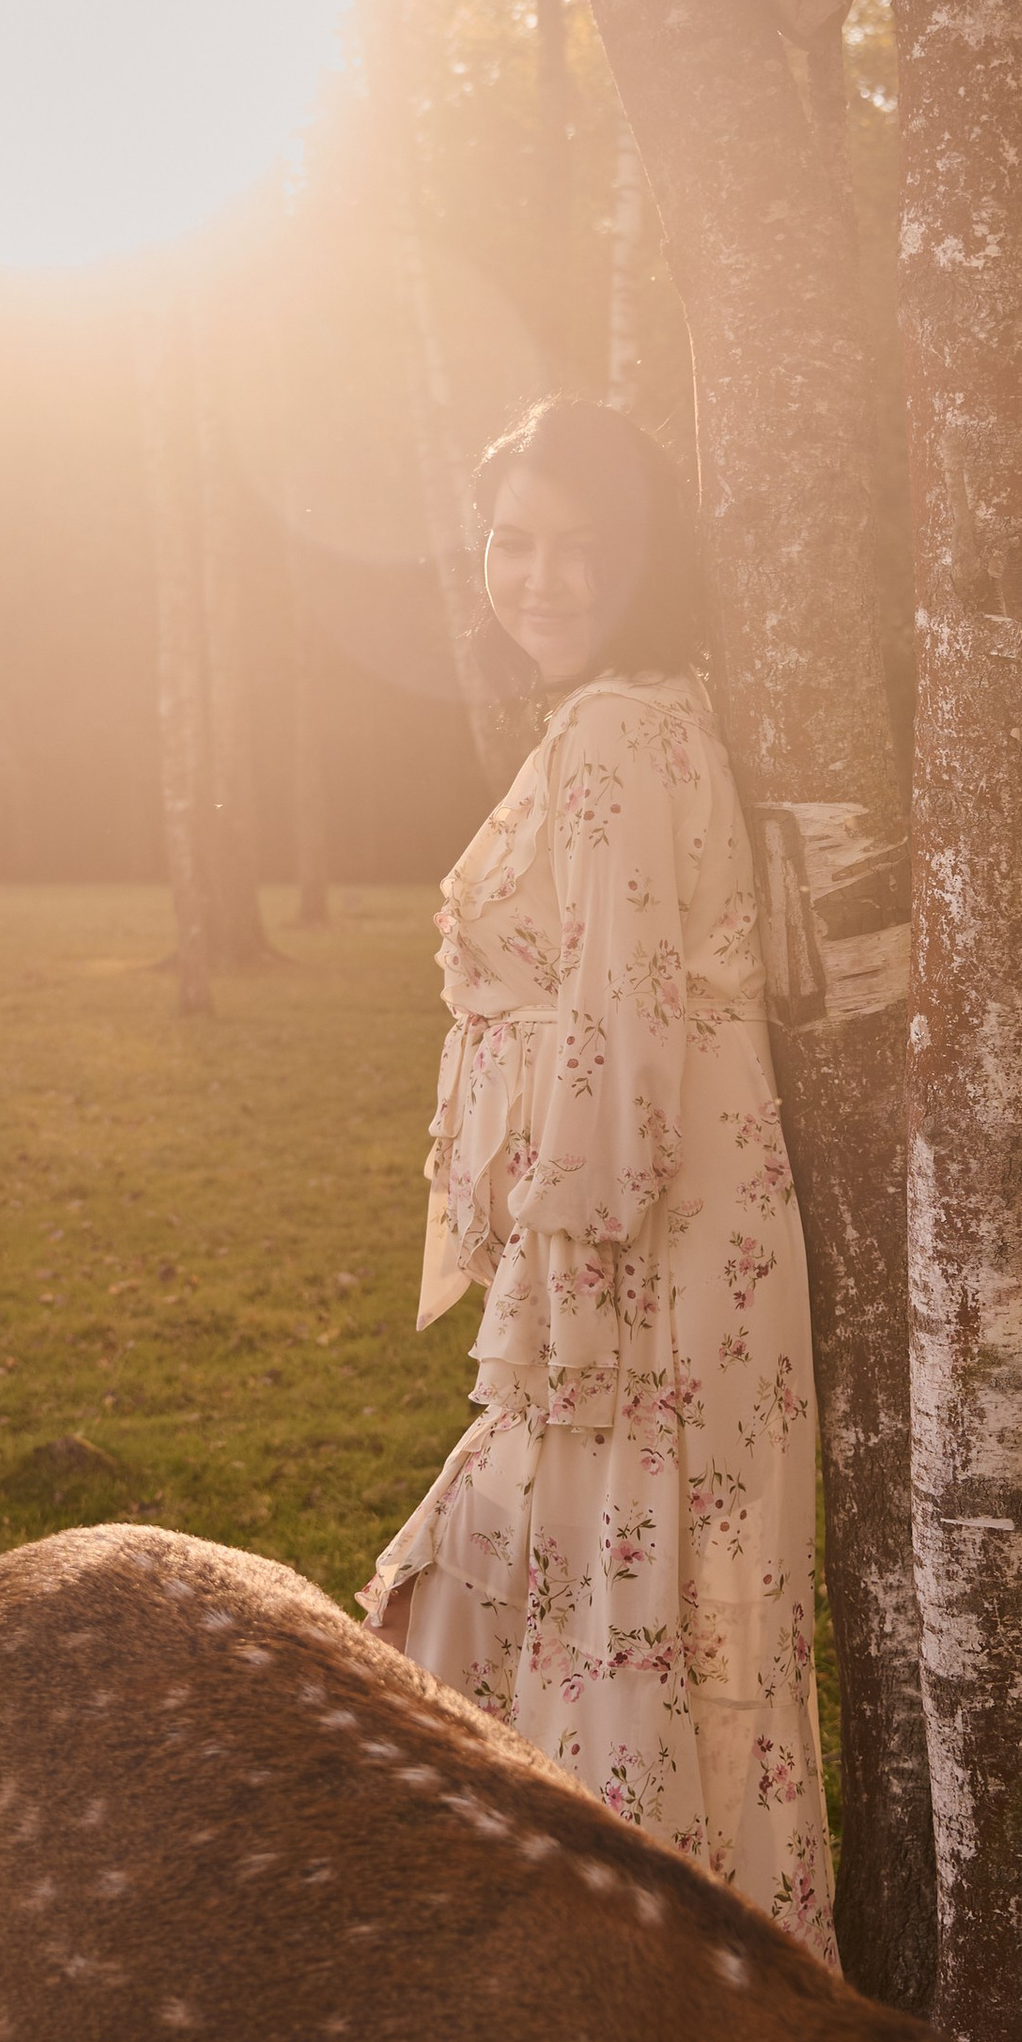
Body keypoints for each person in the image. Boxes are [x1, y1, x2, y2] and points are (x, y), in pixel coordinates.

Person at [361, 397, 838, 1962]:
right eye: (513, 541)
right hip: (675, 1225)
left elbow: (624, 1024)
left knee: (590, 1609)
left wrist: (564, 1283)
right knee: (619, 1620)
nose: (539, 577)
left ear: (645, 565)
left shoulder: (621, 735)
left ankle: (651, 1992)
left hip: (644, 1248)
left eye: (582, 548)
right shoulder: (632, 716)